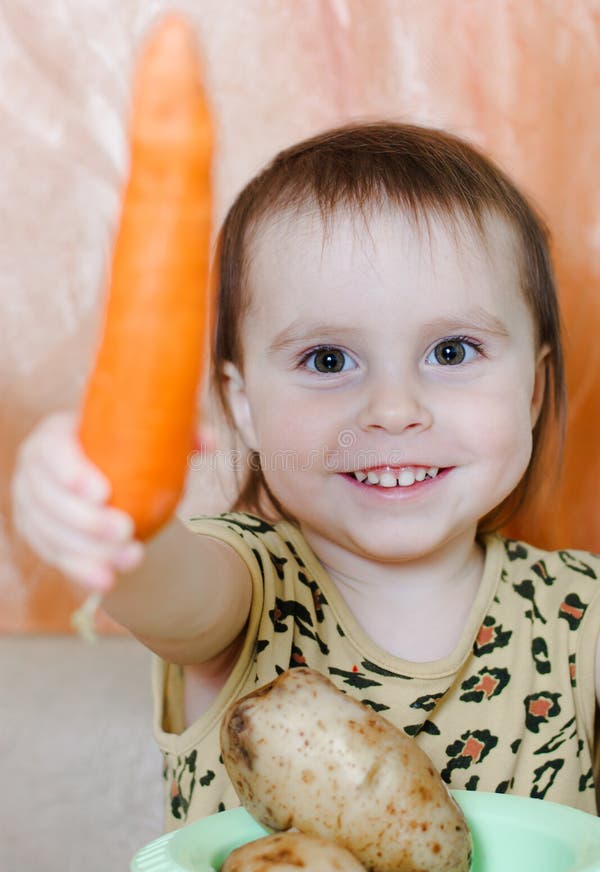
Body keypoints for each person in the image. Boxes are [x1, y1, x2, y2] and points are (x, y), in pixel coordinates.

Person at [12, 122, 600, 829]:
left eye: (451, 350)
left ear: (532, 394)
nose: (392, 410)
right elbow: (170, 593)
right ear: (245, 407)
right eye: (328, 361)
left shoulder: (580, 617)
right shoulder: (245, 590)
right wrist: (107, 503)